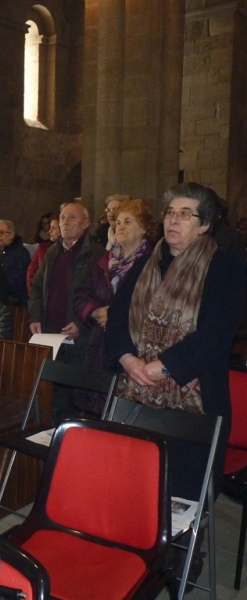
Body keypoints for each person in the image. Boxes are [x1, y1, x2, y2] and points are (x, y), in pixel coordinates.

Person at [105, 182, 245, 504]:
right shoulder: (146, 262)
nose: (174, 220)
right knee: (130, 492)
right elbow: (117, 318)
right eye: (170, 212)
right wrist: (128, 359)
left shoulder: (224, 266)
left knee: (179, 501)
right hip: (136, 393)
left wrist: (164, 366)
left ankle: (184, 554)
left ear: (205, 224)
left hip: (194, 405)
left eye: (185, 214)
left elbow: (216, 334)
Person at [73, 199, 157, 415]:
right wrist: (95, 311)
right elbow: (81, 294)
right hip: (99, 344)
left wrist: (116, 314)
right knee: (96, 407)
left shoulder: (153, 263)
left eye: (128, 221)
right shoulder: (103, 260)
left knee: (122, 412)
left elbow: (154, 303)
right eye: (118, 222)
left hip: (133, 346)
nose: (119, 226)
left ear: (145, 228)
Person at [28, 202, 106, 425]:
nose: (65, 222)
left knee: (79, 397)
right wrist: (34, 316)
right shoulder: (53, 251)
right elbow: (36, 287)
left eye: (72, 217)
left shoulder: (96, 254)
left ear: (86, 223)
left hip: (79, 337)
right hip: (51, 334)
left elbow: (100, 299)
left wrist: (81, 325)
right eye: (62, 217)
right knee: (52, 395)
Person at [0, 219, 31, 306]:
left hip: (15, 301)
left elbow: (18, 278)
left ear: (11, 235)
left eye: (2, 232)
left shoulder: (21, 252)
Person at [27, 213, 60, 291]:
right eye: (50, 227)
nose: (49, 231)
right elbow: (31, 272)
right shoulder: (43, 248)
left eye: (54, 228)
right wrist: (34, 293)